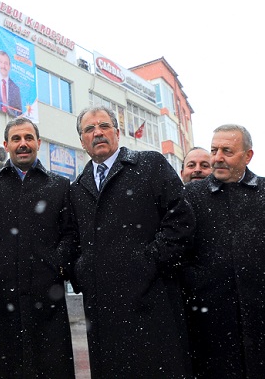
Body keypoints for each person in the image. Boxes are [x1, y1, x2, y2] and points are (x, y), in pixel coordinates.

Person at [70, 106, 195, 378]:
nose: (98, 132)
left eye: (104, 125)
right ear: (81, 141)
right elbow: (75, 241)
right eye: (89, 129)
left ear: (117, 131)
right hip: (103, 311)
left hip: (152, 301)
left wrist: (146, 263)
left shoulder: (150, 165)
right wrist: (83, 272)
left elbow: (181, 220)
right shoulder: (78, 188)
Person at [182, 124, 265, 378]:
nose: (217, 158)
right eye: (214, 150)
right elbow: (177, 251)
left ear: (248, 156)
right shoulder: (190, 196)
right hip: (208, 326)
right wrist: (197, 283)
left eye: (227, 150)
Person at [0, 117, 76, 378]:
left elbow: (70, 235)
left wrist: (57, 264)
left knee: (49, 368)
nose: (23, 144)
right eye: (16, 139)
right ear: (6, 145)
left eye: (28, 138)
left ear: (39, 143)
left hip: (47, 302)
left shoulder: (59, 185)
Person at [0, 50, 22, 117]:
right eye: (1, 62)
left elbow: (19, 113)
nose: (3, 66)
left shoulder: (15, 88)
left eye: (6, 63)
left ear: (9, 65)